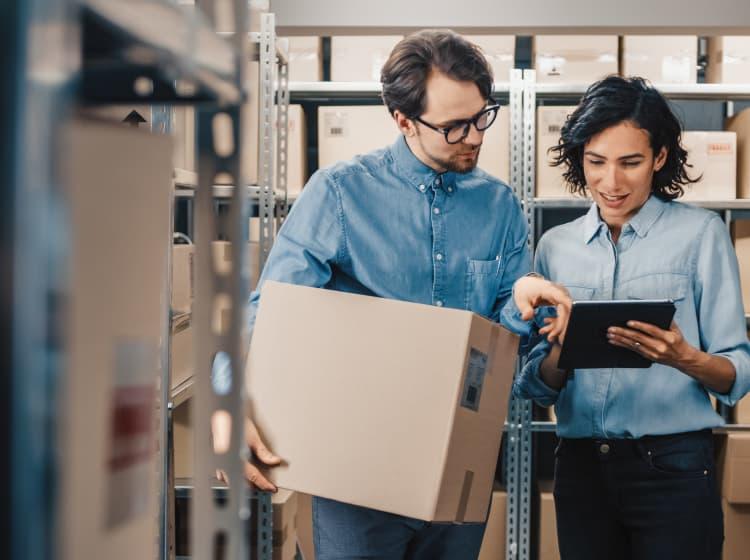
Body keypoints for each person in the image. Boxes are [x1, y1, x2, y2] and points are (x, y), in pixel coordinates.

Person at [225, 29, 571, 559]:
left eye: (482, 116)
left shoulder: (500, 207)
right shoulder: (340, 193)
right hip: (357, 470)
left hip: (460, 460)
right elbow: (269, 313)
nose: (475, 137)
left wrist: (521, 295)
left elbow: (502, 337)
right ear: (403, 120)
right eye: (454, 127)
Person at [513, 75, 750, 560]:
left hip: (674, 467)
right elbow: (537, 387)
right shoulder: (556, 248)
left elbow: (737, 375)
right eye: (596, 162)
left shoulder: (702, 235)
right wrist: (561, 348)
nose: (611, 182)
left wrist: (683, 358)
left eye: (630, 163)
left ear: (659, 158)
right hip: (581, 470)